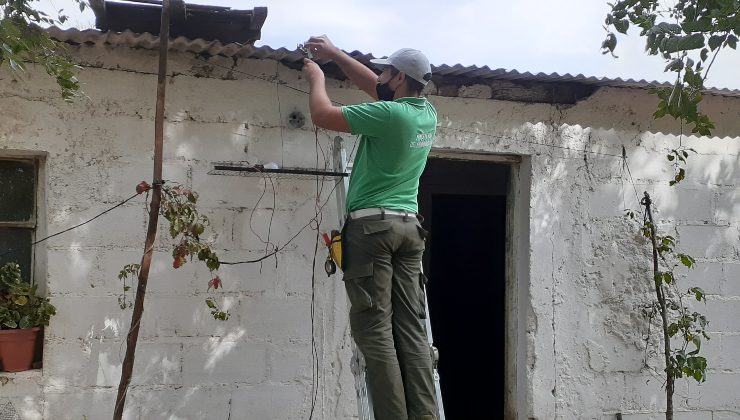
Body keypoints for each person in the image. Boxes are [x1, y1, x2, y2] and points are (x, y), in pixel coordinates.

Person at [302, 35, 438, 420]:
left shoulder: (389, 115)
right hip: (409, 230)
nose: (380, 76)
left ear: (398, 79)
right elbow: (376, 86)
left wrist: (317, 76)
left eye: (386, 72)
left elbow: (323, 115)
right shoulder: (426, 114)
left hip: (372, 230)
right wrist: (335, 55)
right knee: (411, 330)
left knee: (375, 330)